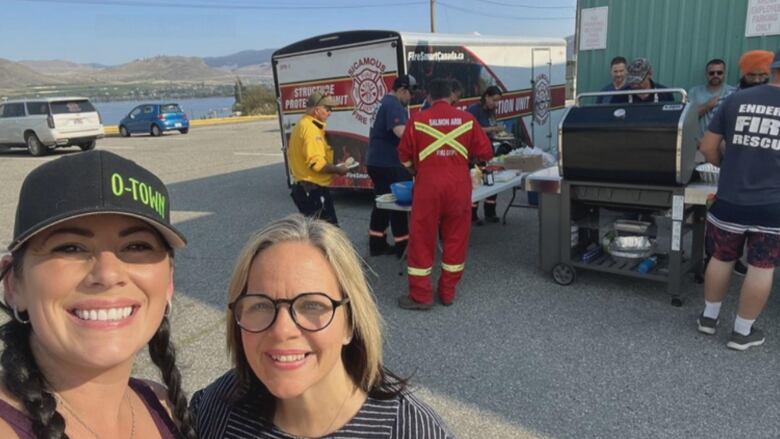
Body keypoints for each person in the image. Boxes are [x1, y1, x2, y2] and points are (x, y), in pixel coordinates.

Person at [190, 214, 454, 438]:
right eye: (260, 305)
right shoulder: (218, 409)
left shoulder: (412, 431)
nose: (282, 330)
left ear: (350, 323)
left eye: (312, 305)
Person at [0, 150, 195, 438]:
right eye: (70, 248)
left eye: (136, 246)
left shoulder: (162, 406)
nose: (108, 274)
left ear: (168, 283)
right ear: (13, 284)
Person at [696, 49, 780, 351]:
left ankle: (709, 318)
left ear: (772, 68)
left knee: (720, 258)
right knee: (762, 266)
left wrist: (724, 165)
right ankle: (742, 333)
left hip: (730, 198)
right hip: (773, 206)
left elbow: (707, 146)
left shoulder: (735, 99)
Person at [397, 79, 493, 309]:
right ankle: (447, 292)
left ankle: (421, 297)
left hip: (428, 186)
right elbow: (485, 152)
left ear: (429, 97)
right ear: (451, 96)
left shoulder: (417, 120)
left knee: (422, 239)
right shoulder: (468, 120)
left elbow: (404, 157)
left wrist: (416, 170)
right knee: (456, 238)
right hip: (459, 186)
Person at [366, 75, 417, 258]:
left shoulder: (383, 102)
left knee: (382, 202)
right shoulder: (394, 105)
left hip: (375, 161)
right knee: (399, 204)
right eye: (410, 94)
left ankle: (376, 243)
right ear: (402, 90)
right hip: (390, 163)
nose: (410, 99)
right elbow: (401, 132)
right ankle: (403, 246)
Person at [287, 92, 348, 225]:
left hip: (305, 189)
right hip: (313, 190)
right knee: (329, 234)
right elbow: (317, 164)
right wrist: (338, 169)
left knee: (317, 233)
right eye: (327, 109)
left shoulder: (302, 124)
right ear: (317, 110)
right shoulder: (310, 129)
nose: (330, 113)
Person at [467, 85, 504, 225]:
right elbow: (473, 129)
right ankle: (472, 215)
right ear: (486, 97)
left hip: (488, 151)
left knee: (490, 182)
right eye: (494, 100)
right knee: (476, 183)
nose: (496, 104)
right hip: (475, 153)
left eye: (498, 101)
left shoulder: (491, 111)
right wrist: (493, 129)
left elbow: (489, 128)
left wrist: (495, 133)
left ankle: (490, 211)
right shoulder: (474, 110)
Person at [688, 59, 735, 139]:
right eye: (711, 73)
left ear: (724, 74)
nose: (715, 75)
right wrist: (708, 105)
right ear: (706, 74)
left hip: (723, 145)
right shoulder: (694, 92)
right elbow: (689, 117)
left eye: (719, 73)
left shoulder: (733, 92)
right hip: (699, 143)